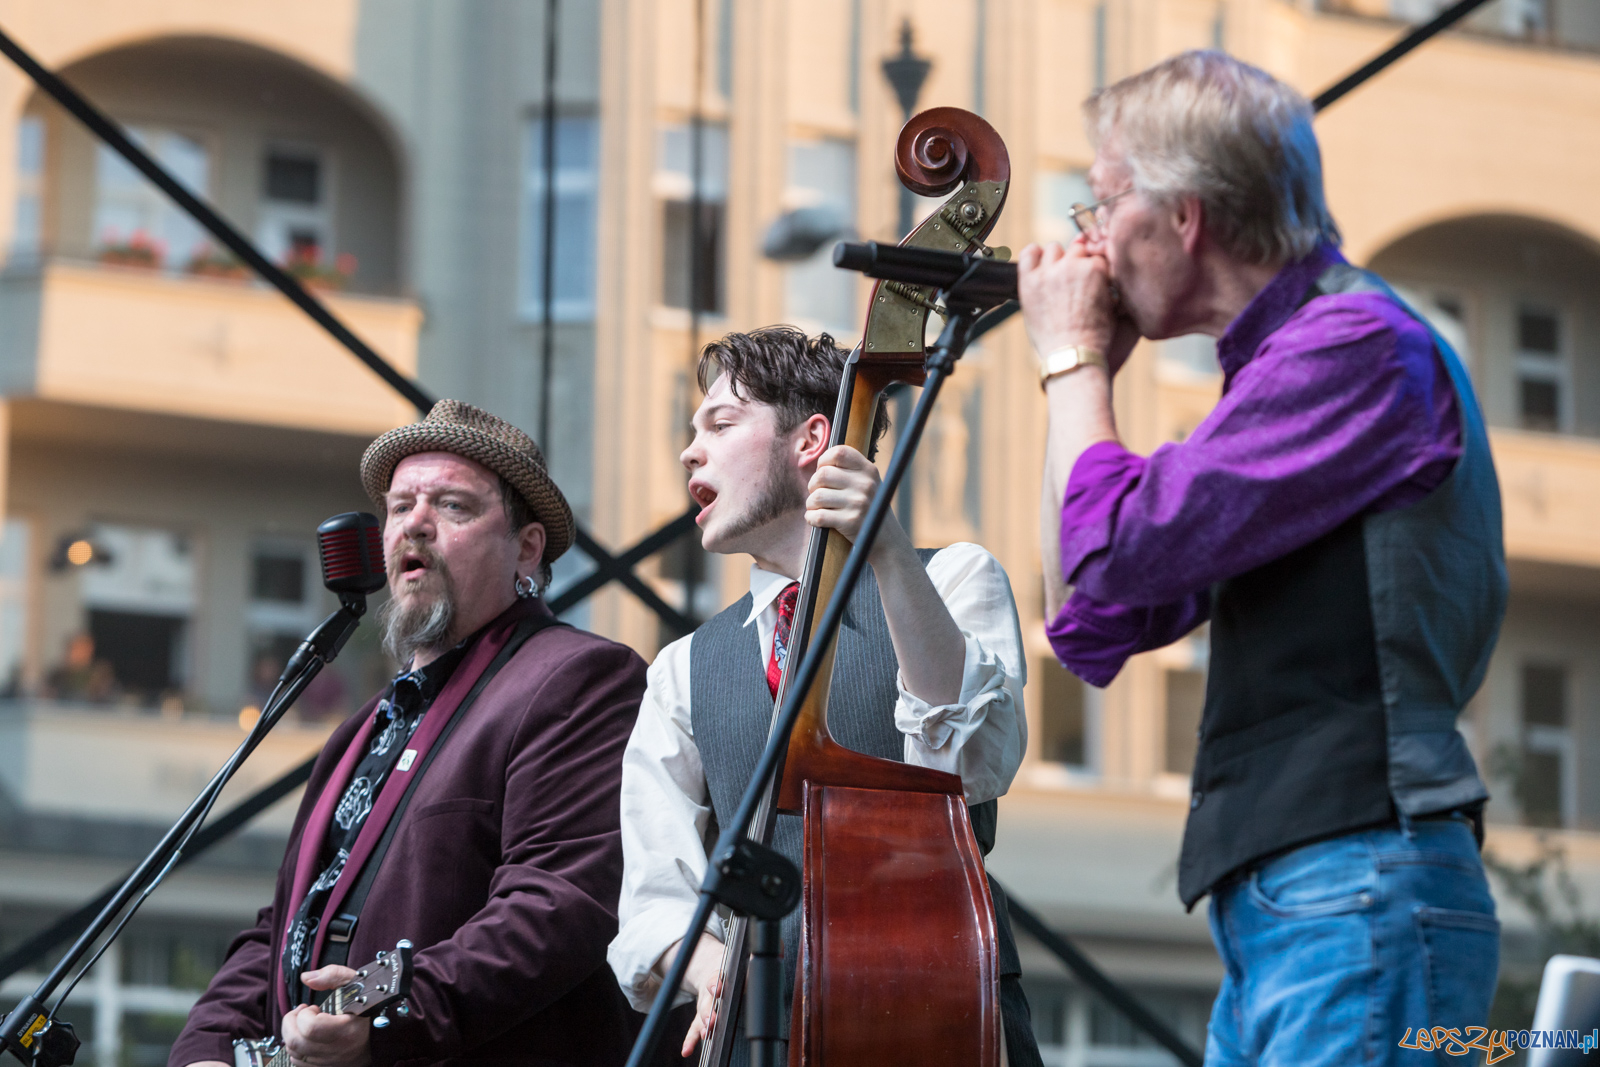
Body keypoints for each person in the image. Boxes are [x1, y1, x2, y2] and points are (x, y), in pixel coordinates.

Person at [1017, 51, 1506, 1066]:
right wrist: (1083, 374)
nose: (1089, 237)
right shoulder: (1278, 373)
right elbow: (1087, 614)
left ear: (1184, 214)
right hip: (1305, 894)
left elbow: (1115, 553)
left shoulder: (1356, 344)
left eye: (1102, 200)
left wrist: (1068, 364)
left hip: (1357, 876)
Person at [607, 327, 1041, 1066]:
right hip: (753, 1030)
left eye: (720, 423)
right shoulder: (682, 666)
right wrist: (711, 960)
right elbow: (654, 891)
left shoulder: (953, 578)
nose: (690, 450)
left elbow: (968, 768)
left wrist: (889, 552)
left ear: (812, 438)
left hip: (933, 1005)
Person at [170, 400, 647, 1067]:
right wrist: (208, 1048)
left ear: (527, 547)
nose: (413, 524)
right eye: (399, 507)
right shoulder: (363, 729)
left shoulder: (577, 676)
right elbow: (281, 925)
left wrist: (385, 1018)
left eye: (452, 506)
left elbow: (555, 903)